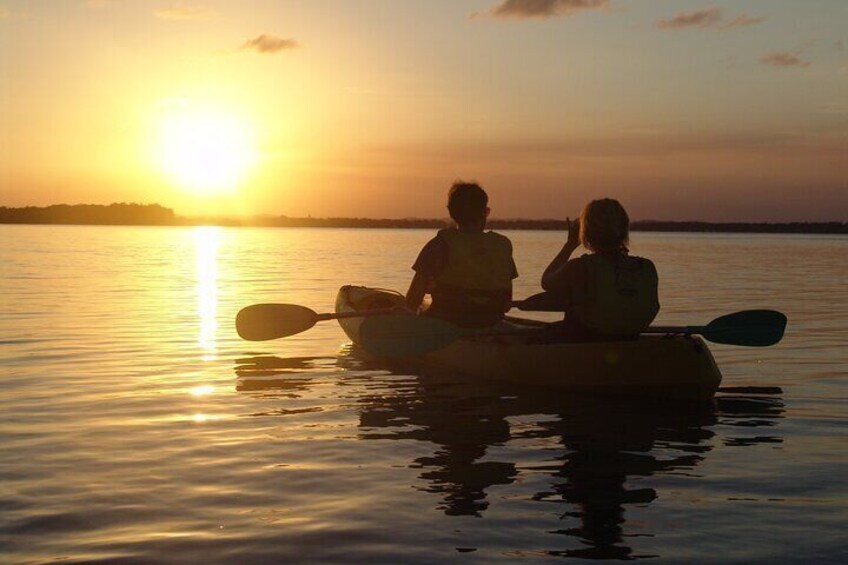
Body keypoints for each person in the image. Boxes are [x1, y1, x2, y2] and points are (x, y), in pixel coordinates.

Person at [541, 198, 659, 341]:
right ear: (624, 230)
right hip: (630, 341)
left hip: (584, 345)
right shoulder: (647, 267)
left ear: (586, 231)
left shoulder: (579, 267)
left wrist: (570, 244)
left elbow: (546, 281)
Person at [406, 181, 518, 328]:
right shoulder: (502, 245)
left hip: (447, 323)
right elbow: (506, 304)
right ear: (484, 212)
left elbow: (413, 300)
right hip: (491, 322)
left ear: (452, 213)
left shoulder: (439, 244)